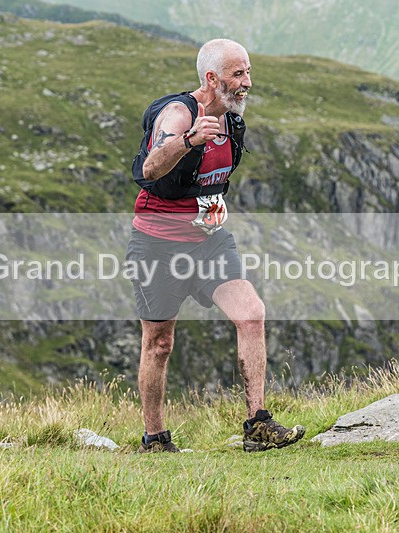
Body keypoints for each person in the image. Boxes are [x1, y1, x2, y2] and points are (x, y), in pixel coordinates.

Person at [127, 38, 305, 453]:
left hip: (208, 243)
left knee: (251, 315)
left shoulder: (233, 121)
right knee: (159, 343)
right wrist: (188, 140)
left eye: (248, 72)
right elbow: (150, 168)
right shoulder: (177, 114)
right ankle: (155, 439)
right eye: (238, 74)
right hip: (157, 246)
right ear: (211, 78)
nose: (247, 83)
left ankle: (257, 425)